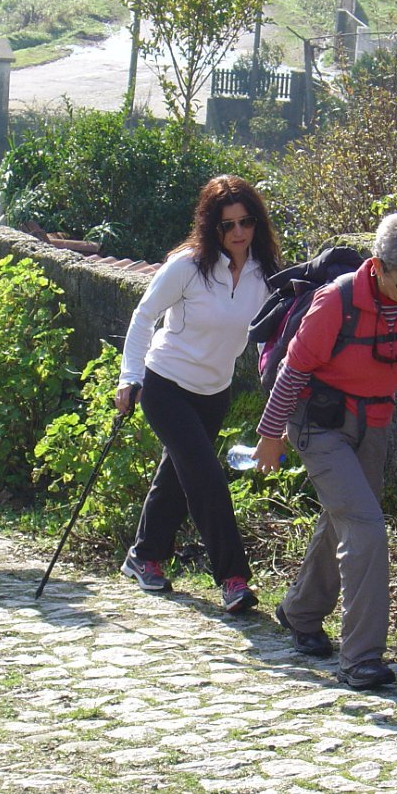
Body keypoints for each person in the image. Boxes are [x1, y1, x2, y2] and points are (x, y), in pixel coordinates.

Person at [253, 212, 397, 690]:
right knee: (365, 526)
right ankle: (360, 657)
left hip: (373, 423)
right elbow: (293, 370)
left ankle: (300, 611)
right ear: (378, 266)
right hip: (316, 423)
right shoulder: (334, 301)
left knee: (343, 519)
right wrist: (271, 434)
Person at [116, 174, 280, 612]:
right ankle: (233, 578)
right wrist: (130, 377)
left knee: (177, 475)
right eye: (228, 225)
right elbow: (144, 316)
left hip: (214, 393)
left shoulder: (266, 273)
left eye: (246, 222)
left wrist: (279, 394)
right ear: (212, 226)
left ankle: (144, 556)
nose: (239, 232)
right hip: (165, 385)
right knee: (206, 477)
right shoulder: (187, 267)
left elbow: (268, 338)